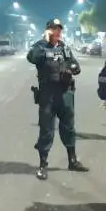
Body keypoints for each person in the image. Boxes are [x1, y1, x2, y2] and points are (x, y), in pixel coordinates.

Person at [27, 18, 88, 180]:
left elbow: (76, 66)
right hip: (48, 95)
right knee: (46, 129)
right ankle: (42, 165)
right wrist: (44, 41)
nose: (57, 32)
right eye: (53, 29)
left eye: (59, 29)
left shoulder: (64, 48)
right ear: (47, 30)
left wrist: (71, 70)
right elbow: (32, 57)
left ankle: (72, 161)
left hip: (65, 94)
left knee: (69, 128)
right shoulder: (40, 47)